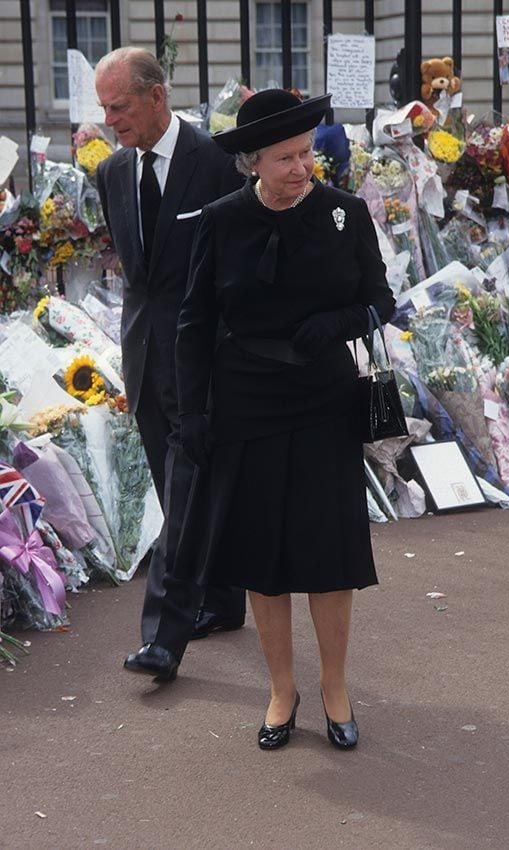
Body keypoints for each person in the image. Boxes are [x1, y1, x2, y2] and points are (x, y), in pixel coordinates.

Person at [154, 88, 395, 747]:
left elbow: (380, 303)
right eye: (285, 157)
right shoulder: (220, 221)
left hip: (324, 399)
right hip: (246, 403)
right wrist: (195, 412)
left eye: (306, 153)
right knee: (262, 554)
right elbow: (193, 324)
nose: (300, 168)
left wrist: (333, 323)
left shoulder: (345, 214)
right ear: (251, 162)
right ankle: (281, 690)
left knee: (328, 551)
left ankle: (334, 687)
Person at [94, 47, 246, 678]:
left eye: (120, 107)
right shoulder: (110, 174)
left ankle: (164, 633)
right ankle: (222, 599)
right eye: (103, 110)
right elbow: (140, 277)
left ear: (157, 96)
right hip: (145, 356)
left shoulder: (215, 164)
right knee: (174, 481)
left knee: (182, 492)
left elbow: (232, 272)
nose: (111, 122)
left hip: (204, 361)